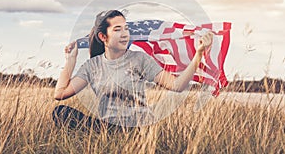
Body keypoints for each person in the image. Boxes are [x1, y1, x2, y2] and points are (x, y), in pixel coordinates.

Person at [53, 10, 213, 131]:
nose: (125, 34)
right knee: (60, 112)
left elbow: (177, 86)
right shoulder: (92, 66)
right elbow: (60, 94)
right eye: (117, 30)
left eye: (126, 28)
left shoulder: (139, 59)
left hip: (137, 126)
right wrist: (70, 61)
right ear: (103, 37)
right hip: (106, 127)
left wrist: (198, 54)